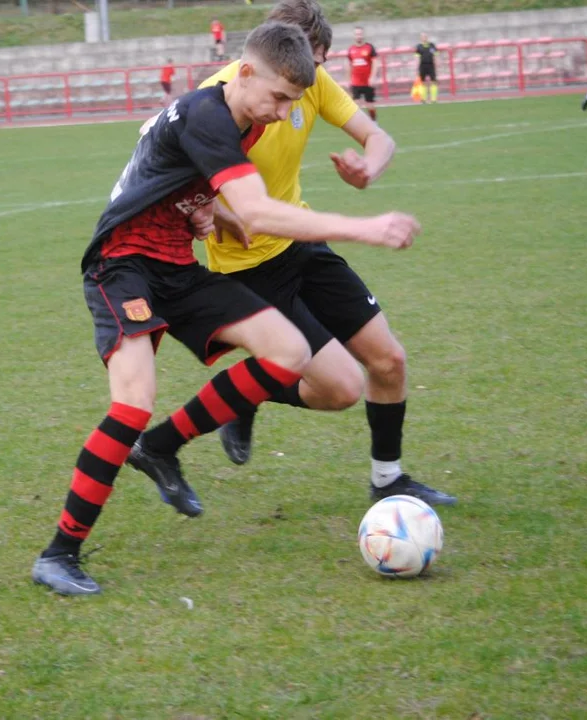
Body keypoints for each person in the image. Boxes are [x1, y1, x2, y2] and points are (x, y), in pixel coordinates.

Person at [32, 21, 423, 596]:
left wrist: (219, 217)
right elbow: (259, 210)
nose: (283, 111)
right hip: (123, 265)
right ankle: (59, 553)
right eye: (279, 98)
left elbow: (175, 183)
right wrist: (363, 227)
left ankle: (162, 450)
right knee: (133, 402)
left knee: (288, 350)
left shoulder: (240, 119)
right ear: (243, 74)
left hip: (175, 264)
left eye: (294, 101)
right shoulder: (208, 113)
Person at [194, 0, 456, 511]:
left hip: (303, 242)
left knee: (390, 359)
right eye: (316, 61)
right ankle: (245, 393)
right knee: (340, 389)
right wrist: (221, 216)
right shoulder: (217, 98)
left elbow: (379, 136)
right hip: (249, 268)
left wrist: (368, 170)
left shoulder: (312, 82)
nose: (317, 75)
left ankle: (389, 479)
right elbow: (184, 184)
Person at [346, 26, 380, 121]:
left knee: (370, 106)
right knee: (356, 106)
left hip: (367, 82)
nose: (359, 36)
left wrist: (373, 77)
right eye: (357, 34)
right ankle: (362, 125)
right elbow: (349, 65)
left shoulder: (369, 47)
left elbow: (375, 62)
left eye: (360, 34)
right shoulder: (351, 49)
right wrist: (348, 80)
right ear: (354, 36)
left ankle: (374, 121)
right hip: (356, 82)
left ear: (363, 35)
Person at [414, 33, 438, 104]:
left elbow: (435, 55)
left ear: (427, 37)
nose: (424, 38)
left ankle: (433, 99)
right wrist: (416, 67)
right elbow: (417, 58)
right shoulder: (419, 47)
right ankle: (423, 99)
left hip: (431, 65)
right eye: (422, 37)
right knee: (423, 83)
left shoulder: (431, 46)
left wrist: (436, 64)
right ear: (420, 38)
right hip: (422, 66)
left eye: (425, 36)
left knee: (433, 82)